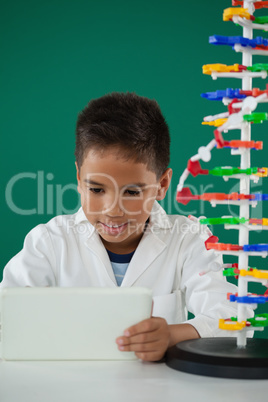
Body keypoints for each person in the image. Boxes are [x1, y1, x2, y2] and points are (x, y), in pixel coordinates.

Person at [0, 92, 248, 361]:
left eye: (132, 192)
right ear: (78, 178)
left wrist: (172, 335)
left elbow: (233, 318)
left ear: (162, 185)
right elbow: (6, 314)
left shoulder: (188, 240)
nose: (112, 210)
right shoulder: (49, 242)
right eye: (96, 189)